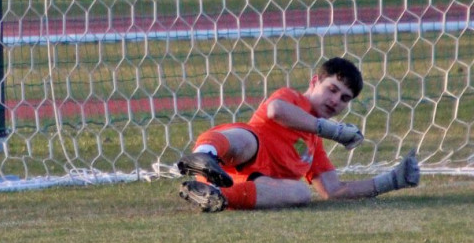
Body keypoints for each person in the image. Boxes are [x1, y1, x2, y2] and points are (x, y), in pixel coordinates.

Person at [176, 57, 420, 212]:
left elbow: (333, 191)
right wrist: (335, 131)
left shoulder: (314, 145)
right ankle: (203, 157)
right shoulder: (291, 98)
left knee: (302, 192)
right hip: (227, 163)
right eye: (332, 90)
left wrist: (391, 181)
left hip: (249, 186)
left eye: (344, 98)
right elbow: (275, 110)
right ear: (314, 82)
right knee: (249, 140)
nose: (336, 101)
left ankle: (213, 196)